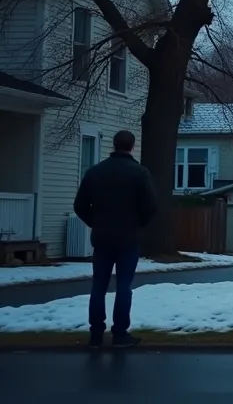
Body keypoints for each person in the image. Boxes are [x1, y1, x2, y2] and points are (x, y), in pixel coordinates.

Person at [72, 130, 156, 348]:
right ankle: (120, 333)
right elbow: (150, 207)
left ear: (114, 145)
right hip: (128, 237)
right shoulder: (139, 173)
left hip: (102, 237)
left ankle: (96, 334)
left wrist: (95, 222)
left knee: (99, 285)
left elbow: (79, 206)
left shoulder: (95, 172)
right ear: (132, 146)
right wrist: (139, 224)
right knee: (123, 285)